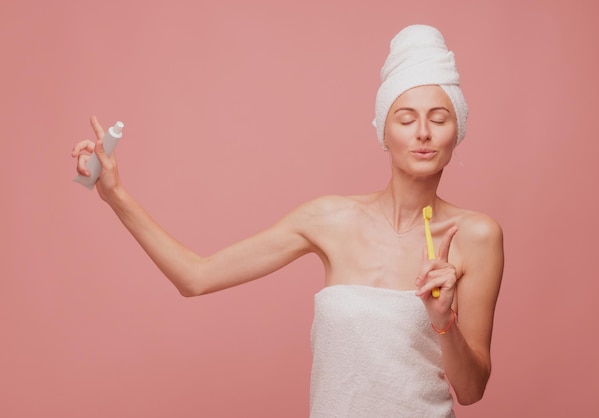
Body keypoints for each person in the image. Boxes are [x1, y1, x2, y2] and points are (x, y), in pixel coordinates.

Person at [71, 25, 503, 418]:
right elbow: (195, 277)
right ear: (384, 131)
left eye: (439, 118)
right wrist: (116, 197)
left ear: (457, 131)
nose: (423, 132)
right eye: (406, 118)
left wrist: (443, 320)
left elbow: (470, 390)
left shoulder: (476, 236)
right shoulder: (328, 218)